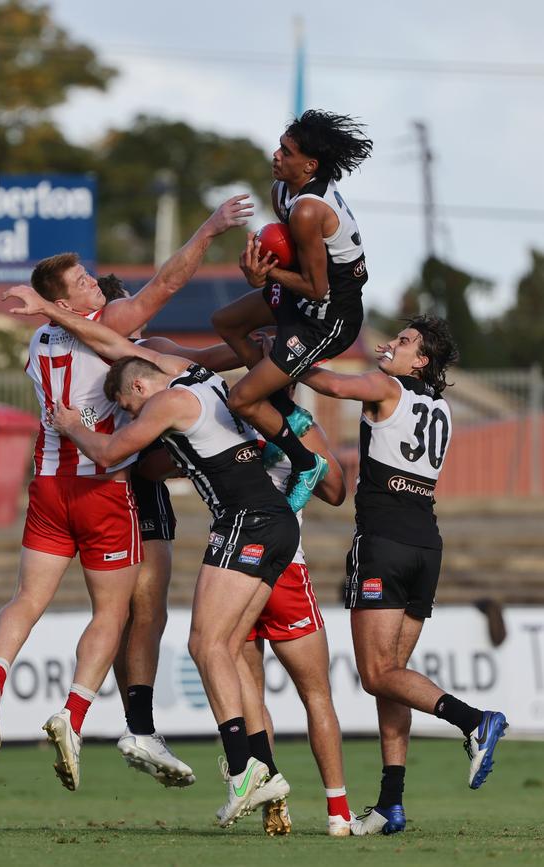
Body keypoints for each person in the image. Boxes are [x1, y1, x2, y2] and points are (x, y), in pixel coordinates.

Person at [0, 195, 252, 791]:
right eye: (84, 284)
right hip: (106, 481)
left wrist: (264, 352)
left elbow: (188, 358)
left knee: (30, 599)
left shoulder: (38, 344)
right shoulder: (104, 332)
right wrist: (210, 227)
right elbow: (167, 285)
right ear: (70, 304)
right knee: (123, 610)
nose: (96, 286)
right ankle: (94, 720)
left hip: (48, 484)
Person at [50, 352, 301, 828]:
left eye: (130, 404)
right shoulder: (204, 382)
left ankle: (246, 771)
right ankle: (258, 767)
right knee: (226, 648)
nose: (136, 414)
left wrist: (70, 423)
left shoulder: (167, 400)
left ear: (141, 389)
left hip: (245, 521)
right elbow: (156, 463)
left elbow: (107, 454)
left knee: (204, 645)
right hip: (277, 521)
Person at [301, 314, 508, 835]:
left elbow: (327, 382)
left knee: (376, 675)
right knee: (393, 679)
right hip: (425, 546)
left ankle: (473, 721)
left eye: (406, 341)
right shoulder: (441, 406)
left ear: (423, 360)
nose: (392, 343)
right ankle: (390, 802)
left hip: (384, 544)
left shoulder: (386, 386)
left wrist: (285, 354)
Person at [211, 110, 373, 512]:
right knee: (225, 323)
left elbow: (319, 288)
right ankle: (287, 415)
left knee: (241, 401)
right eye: (280, 146)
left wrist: (265, 276)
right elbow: (297, 267)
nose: (276, 155)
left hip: (329, 317)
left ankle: (306, 463)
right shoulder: (281, 191)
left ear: (310, 165)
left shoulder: (307, 209)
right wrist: (266, 273)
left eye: (286, 151)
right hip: (304, 298)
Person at [239, 413, 355, 837]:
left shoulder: (224, 416)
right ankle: (337, 813)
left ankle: (276, 797)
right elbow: (337, 490)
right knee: (316, 695)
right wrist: (302, 452)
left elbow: (336, 490)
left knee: (252, 695)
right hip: (283, 569)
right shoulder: (301, 425)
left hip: (235, 569)